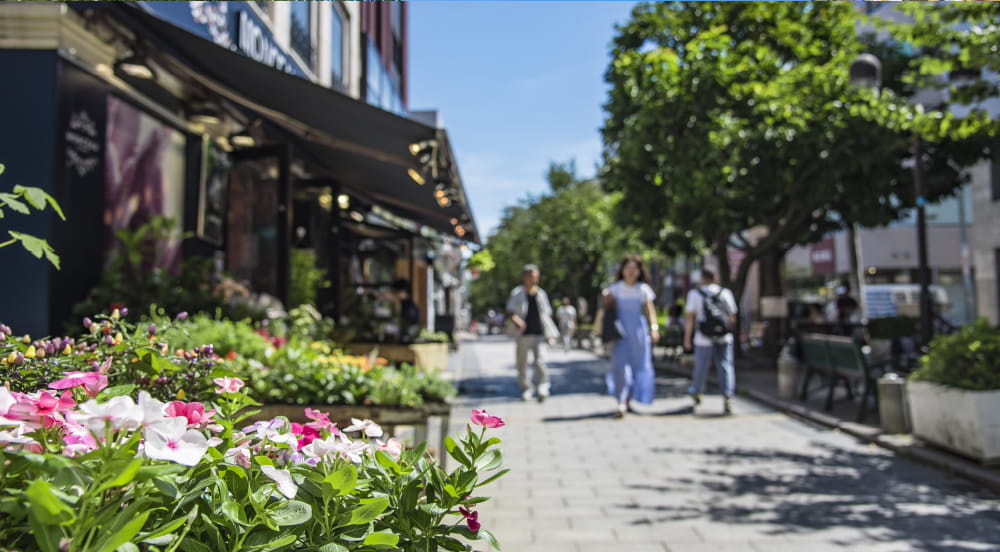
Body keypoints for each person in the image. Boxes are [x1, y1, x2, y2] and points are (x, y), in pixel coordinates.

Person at [603, 256, 659, 418]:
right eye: (628, 268)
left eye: (634, 269)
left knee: (638, 366)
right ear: (622, 270)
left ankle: (628, 398)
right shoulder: (615, 288)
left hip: (639, 332)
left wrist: (654, 329)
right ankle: (621, 399)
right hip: (620, 332)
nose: (631, 272)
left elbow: (650, 311)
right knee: (620, 366)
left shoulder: (643, 289)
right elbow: (606, 310)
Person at [683, 268, 738, 415]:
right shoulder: (726, 293)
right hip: (725, 337)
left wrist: (687, 338)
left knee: (701, 366)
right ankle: (727, 397)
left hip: (703, 338)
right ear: (715, 278)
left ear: (702, 278)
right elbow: (732, 317)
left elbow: (690, 318)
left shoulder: (695, 294)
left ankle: (697, 393)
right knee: (725, 366)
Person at [506, 264, 559, 402]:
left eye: (535, 277)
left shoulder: (541, 294)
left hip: (539, 333)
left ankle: (542, 388)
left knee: (541, 362)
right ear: (524, 277)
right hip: (523, 334)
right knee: (522, 364)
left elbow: (547, 314)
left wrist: (551, 334)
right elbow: (510, 311)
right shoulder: (517, 293)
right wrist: (518, 321)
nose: (533, 280)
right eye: (530, 277)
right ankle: (526, 390)